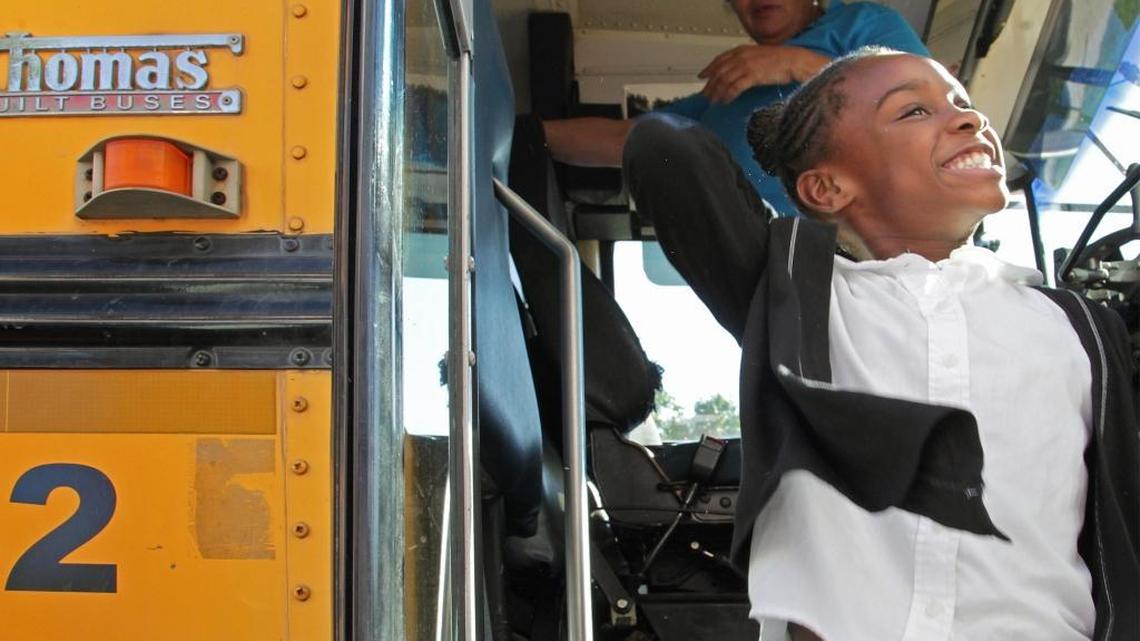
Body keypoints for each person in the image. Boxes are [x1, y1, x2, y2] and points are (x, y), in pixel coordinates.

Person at [623, 49, 1139, 641]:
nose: (970, 120)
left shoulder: (1079, 326)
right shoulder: (802, 297)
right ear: (829, 187)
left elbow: (1115, 533)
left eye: (965, 105)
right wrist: (796, 71)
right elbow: (665, 151)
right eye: (915, 110)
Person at [544, 0, 929, 216]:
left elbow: (927, 110)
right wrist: (522, 134)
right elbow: (624, 138)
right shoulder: (722, 97)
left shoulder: (865, 23)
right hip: (777, 270)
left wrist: (796, 65)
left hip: (852, 258)